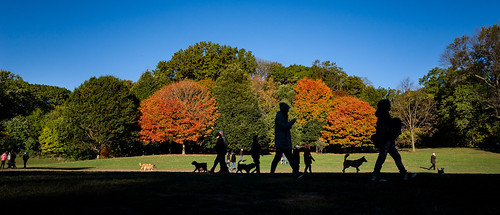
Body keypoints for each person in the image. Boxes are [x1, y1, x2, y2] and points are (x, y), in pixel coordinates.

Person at [371, 99, 416, 182]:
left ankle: (404, 174)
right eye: (388, 105)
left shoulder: (382, 115)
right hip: (386, 140)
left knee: (394, 157)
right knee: (384, 157)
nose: (390, 106)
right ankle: (376, 176)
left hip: (386, 140)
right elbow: (386, 128)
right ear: (385, 106)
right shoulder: (384, 116)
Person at [270, 102, 300, 177]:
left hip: (283, 141)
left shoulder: (281, 116)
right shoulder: (280, 116)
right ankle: (296, 171)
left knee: (283, 157)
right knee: (288, 157)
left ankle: (272, 172)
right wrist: (291, 123)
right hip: (282, 141)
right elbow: (283, 127)